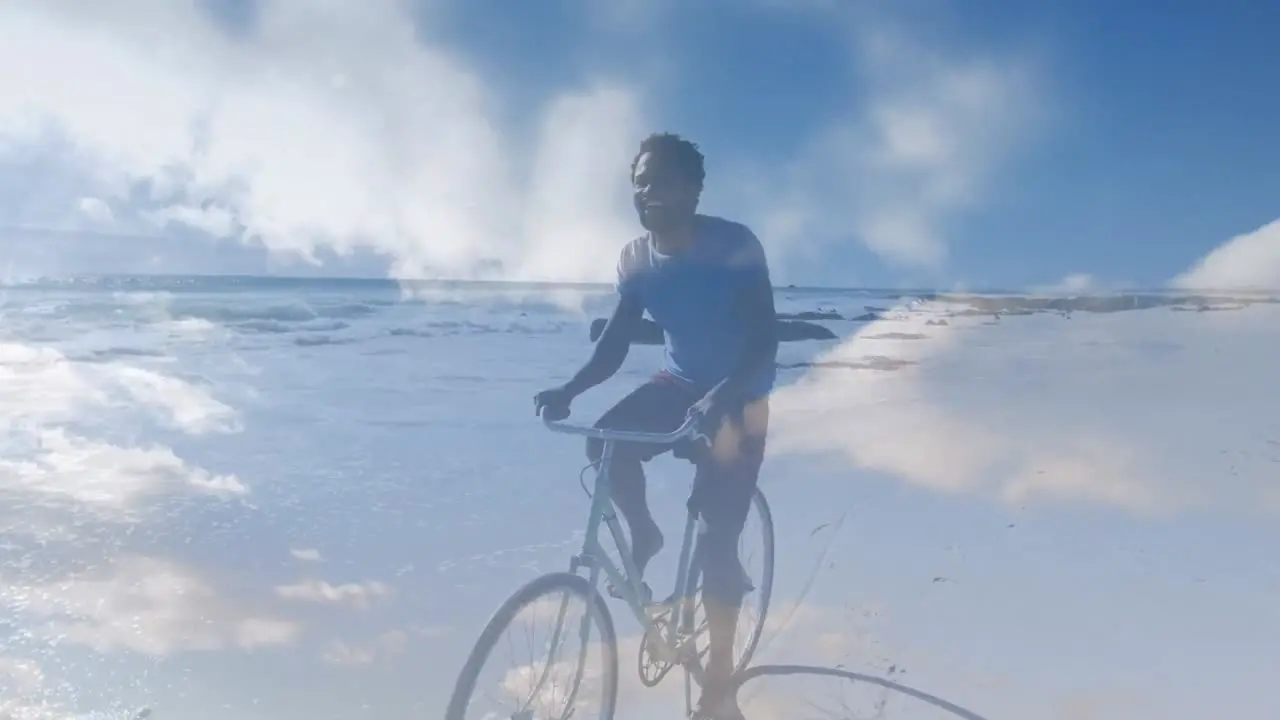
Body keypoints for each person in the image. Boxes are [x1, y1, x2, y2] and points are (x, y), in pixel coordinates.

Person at [533, 132, 777, 720]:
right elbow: (617, 340)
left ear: (694, 189)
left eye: (664, 180)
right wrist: (570, 389)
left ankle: (720, 689)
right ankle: (645, 536)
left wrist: (724, 394)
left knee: (719, 539)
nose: (650, 192)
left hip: (739, 397)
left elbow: (764, 337)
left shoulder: (734, 245)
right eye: (641, 182)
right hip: (677, 384)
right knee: (605, 441)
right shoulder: (636, 259)